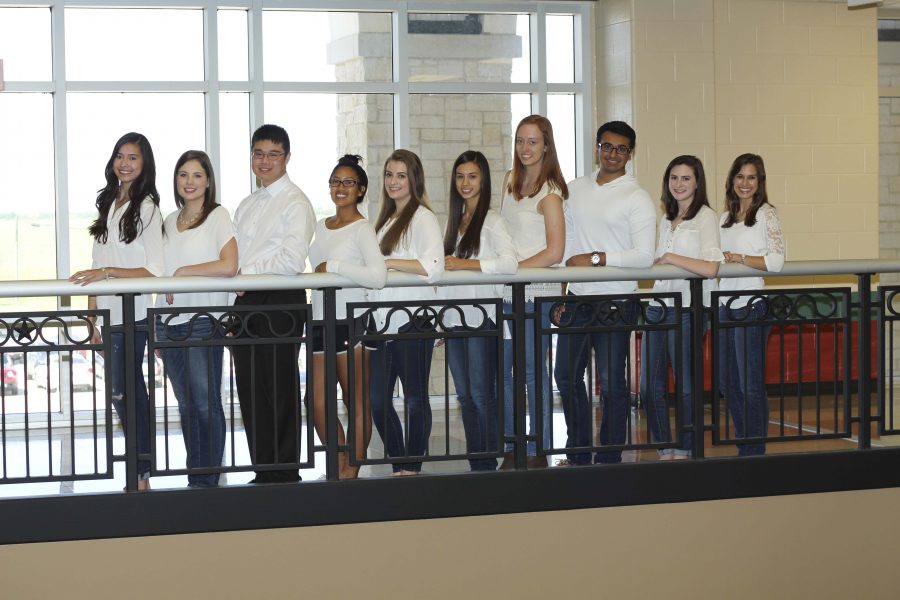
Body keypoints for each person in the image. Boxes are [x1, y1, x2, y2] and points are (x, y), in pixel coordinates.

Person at [553, 121, 656, 465]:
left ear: (630, 153)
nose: (613, 154)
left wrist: (597, 259)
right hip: (578, 298)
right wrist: (562, 294)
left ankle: (610, 457)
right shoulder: (575, 188)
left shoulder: (636, 197)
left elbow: (644, 257)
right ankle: (578, 452)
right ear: (597, 147)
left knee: (611, 382)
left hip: (617, 299)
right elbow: (566, 248)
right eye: (607, 146)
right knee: (565, 375)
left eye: (621, 149)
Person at [70, 132, 164, 491]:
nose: (124, 163)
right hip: (110, 316)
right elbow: (97, 263)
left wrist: (107, 274)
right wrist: (91, 316)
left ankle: (141, 473)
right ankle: (140, 469)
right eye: (120, 156)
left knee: (126, 392)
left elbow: (155, 269)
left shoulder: (148, 208)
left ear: (144, 165)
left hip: (134, 314)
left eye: (133, 158)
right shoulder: (109, 201)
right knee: (121, 391)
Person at [232, 124, 316, 483]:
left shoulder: (296, 202)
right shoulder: (247, 204)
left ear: (287, 158)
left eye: (273, 154)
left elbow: (292, 261)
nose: (264, 161)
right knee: (250, 389)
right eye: (258, 153)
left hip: (280, 301)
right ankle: (262, 468)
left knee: (279, 387)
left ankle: (285, 471)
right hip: (245, 303)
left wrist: (244, 274)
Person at [154, 150, 237, 487]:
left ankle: (210, 478)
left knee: (206, 403)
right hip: (169, 322)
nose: (189, 182)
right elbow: (161, 275)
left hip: (204, 319)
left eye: (197, 175)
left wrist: (183, 273)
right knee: (186, 404)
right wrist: (156, 321)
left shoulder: (218, 216)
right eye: (183, 175)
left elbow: (229, 265)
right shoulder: (169, 221)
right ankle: (195, 476)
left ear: (208, 181)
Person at [308, 154, 386, 479]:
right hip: (318, 319)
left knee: (354, 399)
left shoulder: (362, 228)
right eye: (335, 182)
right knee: (316, 401)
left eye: (348, 182)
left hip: (352, 319)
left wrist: (335, 269)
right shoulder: (321, 225)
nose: (340, 187)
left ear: (361, 189)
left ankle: (351, 468)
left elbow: (378, 276)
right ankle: (340, 460)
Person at [641, 155, 722, 459]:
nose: (678, 184)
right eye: (673, 178)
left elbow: (711, 267)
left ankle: (688, 448)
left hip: (688, 309)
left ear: (697, 182)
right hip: (657, 307)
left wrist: (672, 259)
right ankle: (664, 447)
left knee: (687, 387)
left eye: (685, 178)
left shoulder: (706, 217)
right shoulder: (665, 218)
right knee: (650, 385)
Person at [369, 149, 444, 476]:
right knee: (377, 402)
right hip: (383, 324)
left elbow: (433, 268)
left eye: (401, 175)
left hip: (414, 321)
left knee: (415, 399)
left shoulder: (423, 218)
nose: (393, 181)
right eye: (389, 174)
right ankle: (399, 461)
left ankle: (411, 467)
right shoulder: (384, 220)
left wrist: (386, 263)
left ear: (414, 179)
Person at [441, 150, 517, 471]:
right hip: (454, 319)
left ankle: (488, 463)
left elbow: (510, 263)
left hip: (482, 318)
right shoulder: (454, 222)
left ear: (483, 180)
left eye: (472, 176)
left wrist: (465, 264)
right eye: (460, 176)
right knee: (464, 397)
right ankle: (477, 464)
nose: (465, 183)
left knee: (481, 395)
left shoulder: (493, 220)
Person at [499, 115, 567, 469]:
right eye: (520, 141)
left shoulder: (550, 193)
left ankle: (539, 446)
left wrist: (513, 270)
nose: (525, 148)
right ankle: (513, 445)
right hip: (507, 293)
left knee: (532, 373)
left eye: (533, 142)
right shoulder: (509, 182)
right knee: (505, 372)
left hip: (535, 295)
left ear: (546, 146)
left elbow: (555, 253)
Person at [718, 154, 785, 456]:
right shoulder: (723, 218)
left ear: (760, 182)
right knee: (728, 383)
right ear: (732, 180)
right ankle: (744, 443)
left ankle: (754, 452)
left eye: (751, 177)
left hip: (752, 306)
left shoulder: (766, 214)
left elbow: (776, 261)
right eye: (740, 177)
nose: (745, 183)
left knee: (750, 385)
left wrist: (739, 258)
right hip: (724, 306)